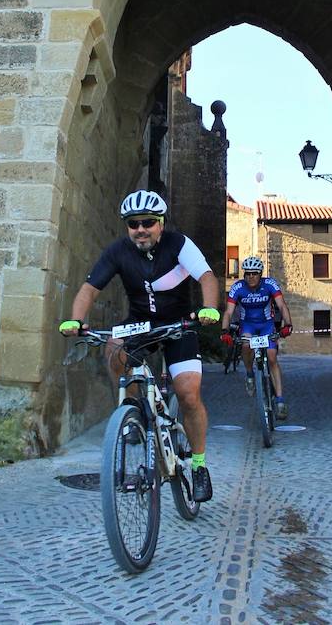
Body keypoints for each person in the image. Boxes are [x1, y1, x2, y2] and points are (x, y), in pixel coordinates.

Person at [59, 189, 220, 503]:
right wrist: (76, 320)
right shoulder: (118, 251)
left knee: (188, 394)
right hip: (140, 324)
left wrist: (210, 308)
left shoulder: (179, 244)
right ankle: (132, 409)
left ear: (160, 223)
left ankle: (199, 465)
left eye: (148, 222)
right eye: (134, 223)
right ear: (127, 227)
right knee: (113, 346)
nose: (141, 228)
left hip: (178, 325)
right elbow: (89, 290)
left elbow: (207, 277)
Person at [219, 255, 292, 420]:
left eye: (255, 273)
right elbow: (229, 311)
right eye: (248, 273)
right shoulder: (238, 287)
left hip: (267, 325)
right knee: (245, 345)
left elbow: (281, 305)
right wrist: (224, 331)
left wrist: (288, 324)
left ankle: (280, 400)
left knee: (272, 358)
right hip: (248, 325)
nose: (251, 276)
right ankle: (250, 373)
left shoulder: (270, 285)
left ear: (260, 274)